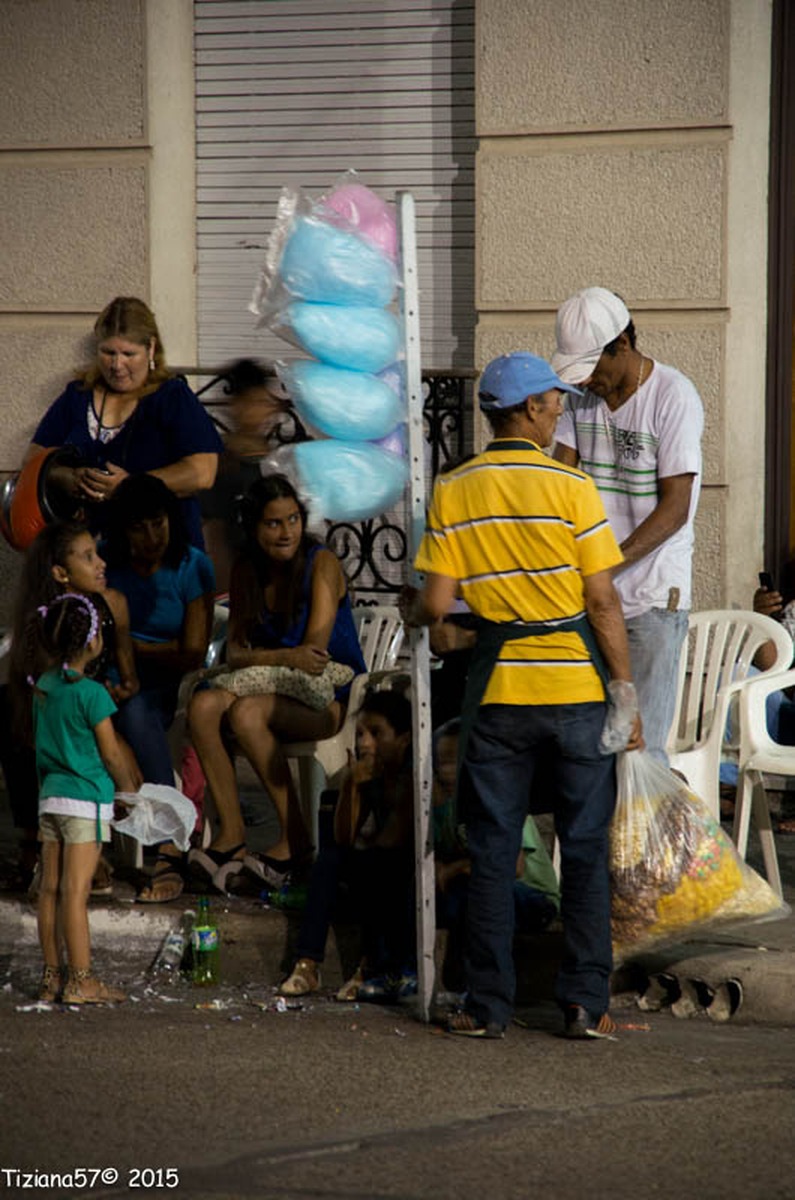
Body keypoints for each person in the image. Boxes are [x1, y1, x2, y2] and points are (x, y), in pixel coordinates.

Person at [400, 351, 642, 1040]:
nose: (561, 410)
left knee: (492, 849)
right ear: (530, 408)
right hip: (573, 691)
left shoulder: (453, 487)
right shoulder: (570, 486)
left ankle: (485, 1005)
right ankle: (583, 1002)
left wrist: (417, 612)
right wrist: (624, 695)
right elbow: (601, 602)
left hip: (500, 697)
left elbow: (439, 603)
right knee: (585, 848)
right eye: (555, 401)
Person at [187, 474, 367, 891]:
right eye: (273, 523)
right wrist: (283, 657)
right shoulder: (247, 569)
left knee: (246, 712)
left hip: (329, 699)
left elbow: (315, 656)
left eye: (292, 520)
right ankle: (231, 835)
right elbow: (236, 652)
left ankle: (296, 841)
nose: (285, 532)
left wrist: (274, 659)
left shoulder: (321, 564)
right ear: (253, 528)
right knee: (203, 705)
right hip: (272, 687)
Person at [551, 286, 703, 764]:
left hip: (653, 599)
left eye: (593, 367)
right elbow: (563, 478)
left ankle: (642, 840)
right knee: (589, 750)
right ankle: (599, 842)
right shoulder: (579, 400)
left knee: (639, 750)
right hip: (593, 599)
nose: (587, 381)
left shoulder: (672, 395)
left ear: (622, 344)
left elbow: (676, 507)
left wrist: (606, 562)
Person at [2, 521, 142, 897]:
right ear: (61, 573)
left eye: (97, 553)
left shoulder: (112, 603)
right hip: (61, 732)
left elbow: (129, 678)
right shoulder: (48, 625)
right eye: (87, 557)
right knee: (106, 760)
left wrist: (116, 692)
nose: (100, 564)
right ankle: (63, 852)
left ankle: (156, 854)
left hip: (95, 710)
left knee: (133, 749)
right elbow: (51, 706)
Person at [25, 295, 223, 550]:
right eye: (108, 353)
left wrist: (130, 486)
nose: (117, 365)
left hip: (162, 553)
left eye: (129, 354)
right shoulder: (77, 396)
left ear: (151, 349)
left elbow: (203, 473)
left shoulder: (172, 397)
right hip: (91, 554)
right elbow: (34, 458)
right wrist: (69, 477)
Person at [103, 475, 216, 901]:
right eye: (138, 527)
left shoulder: (192, 565)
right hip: (107, 680)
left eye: (158, 523)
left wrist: (130, 645)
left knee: (134, 713)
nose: (151, 537)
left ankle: (170, 842)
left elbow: (192, 651)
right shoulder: (106, 564)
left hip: (166, 686)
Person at [279, 688, 416, 1002]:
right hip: (373, 870)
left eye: (377, 734)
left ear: (404, 738)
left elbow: (392, 842)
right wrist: (352, 785)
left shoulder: (412, 777)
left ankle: (371, 966)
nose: (365, 743)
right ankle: (307, 963)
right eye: (361, 734)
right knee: (328, 860)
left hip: (405, 881)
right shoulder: (368, 775)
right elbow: (341, 840)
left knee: (383, 862)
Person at [32, 593, 136, 1004]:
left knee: (50, 891)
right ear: (93, 642)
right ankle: (81, 980)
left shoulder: (43, 686)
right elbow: (111, 753)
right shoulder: (93, 695)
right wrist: (128, 790)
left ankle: (51, 977)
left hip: (51, 797)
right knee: (76, 893)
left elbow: (38, 745)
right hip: (85, 802)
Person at [431, 719, 559, 994]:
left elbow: (513, 867)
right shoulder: (444, 809)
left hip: (532, 897)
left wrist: (454, 869)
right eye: (442, 762)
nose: (448, 771)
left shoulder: (501, 799)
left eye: (456, 760)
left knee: (474, 894)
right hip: (478, 889)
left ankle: (471, 984)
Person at [200, 358, 289, 594]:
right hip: (235, 580)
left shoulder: (275, 462)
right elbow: (214, 532)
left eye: (264, 402)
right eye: (254, 402)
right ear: (237, 405)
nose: (263, 410)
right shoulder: (222, 464)